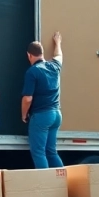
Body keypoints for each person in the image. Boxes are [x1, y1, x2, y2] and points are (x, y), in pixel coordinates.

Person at [21, 31, 64, 169]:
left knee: (39, 153)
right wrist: (58, 43)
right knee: (51, 152)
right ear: (42, 53)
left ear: (29, 55)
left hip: (41, 116)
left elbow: (27, 99)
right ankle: (64, 183)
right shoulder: (54, 66)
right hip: (56, 115)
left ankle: (47, 186)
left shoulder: (32, 71)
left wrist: (23, 115)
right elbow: (59, 55)